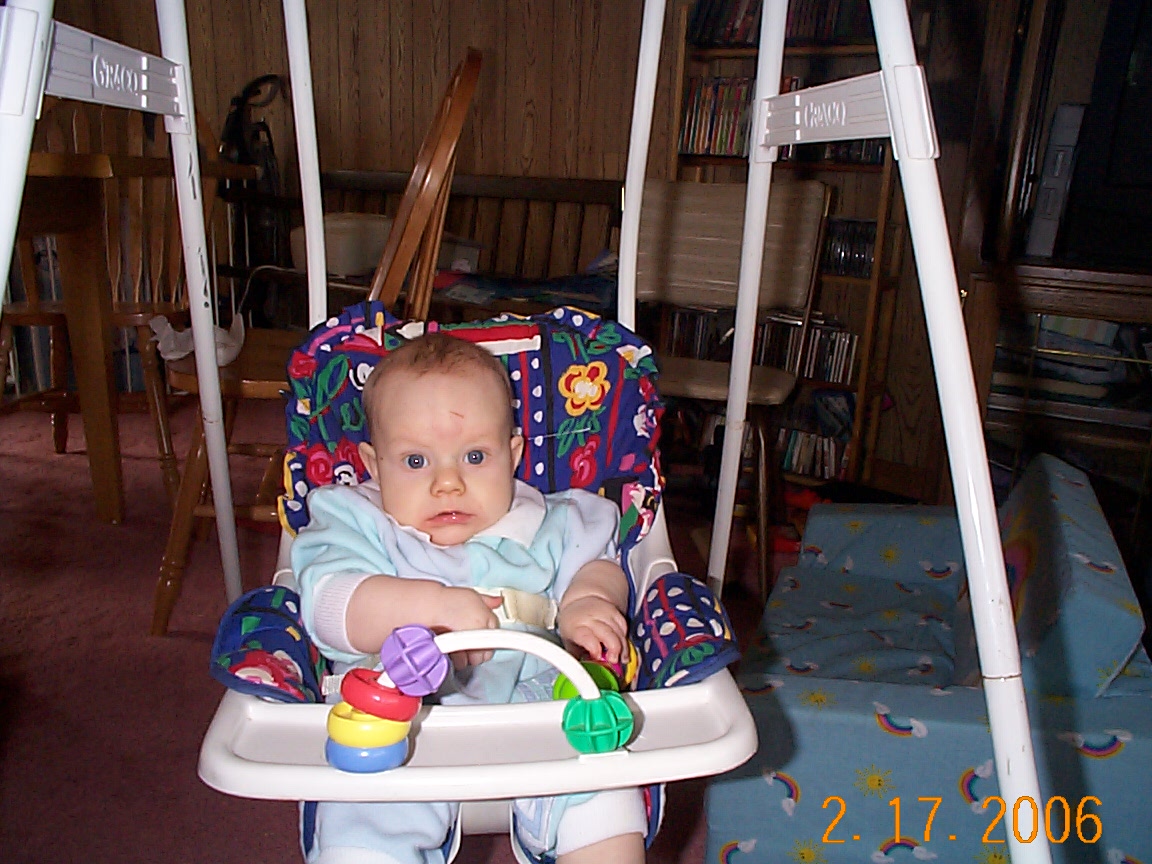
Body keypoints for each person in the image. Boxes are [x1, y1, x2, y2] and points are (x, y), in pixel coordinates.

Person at [291, 332, 647, 864]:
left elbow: (600, 563)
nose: (448, 483)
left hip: (536, 703)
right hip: (398, 716)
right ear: (374, 464)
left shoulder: (554, 520)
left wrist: (587, 601)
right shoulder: (356, 521)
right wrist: (430, 607)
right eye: (415, 461)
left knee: (603, 791)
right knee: (364, 816)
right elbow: (328, 605)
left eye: (475, 456)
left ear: (513, 454)